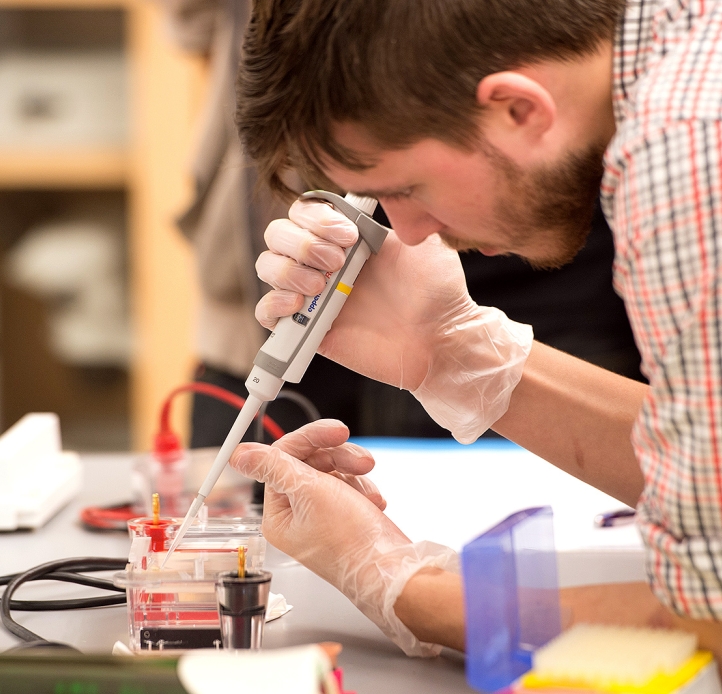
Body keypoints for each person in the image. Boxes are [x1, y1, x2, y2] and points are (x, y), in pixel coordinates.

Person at [232, 0, 722, 658]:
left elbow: (711, 617)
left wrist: (399, 584)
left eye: (405, 188)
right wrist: (453, 352)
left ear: (520, 109)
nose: (405, 231)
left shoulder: (682, 153)